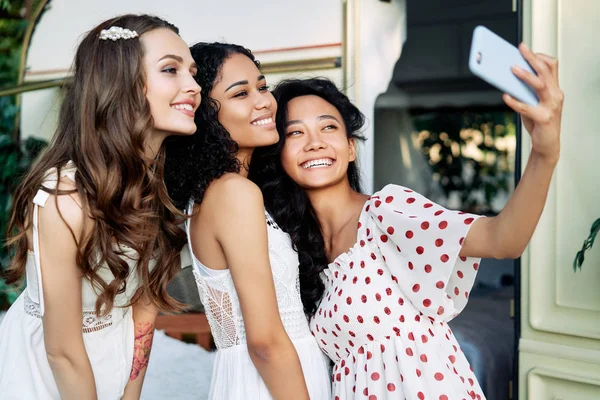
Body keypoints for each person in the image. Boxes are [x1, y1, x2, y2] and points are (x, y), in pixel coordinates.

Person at [250, 43, 563, 399]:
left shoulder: (386, 212)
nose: (314, 143)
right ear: (280, 155)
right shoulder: (296, 247)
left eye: (328, 128)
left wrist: (544, 153)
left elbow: (503, 239)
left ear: (350, 148)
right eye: (295, 133)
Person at [0, 14, 201, 400]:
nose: (193, 86)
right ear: (121, 81)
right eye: (171, 70)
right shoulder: (65, 196)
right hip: (51, 373)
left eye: (192, 73)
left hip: (117, 355)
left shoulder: (161, 182)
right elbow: (62, 351)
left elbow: (145, 306)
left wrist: (130, 393)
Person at [164, 42, 331, 400]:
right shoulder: (234, 193)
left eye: (262, 86)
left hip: (265, 375)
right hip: (273, 382)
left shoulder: (216, 192)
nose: (264, 101)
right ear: (206, 113)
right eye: (241, 93)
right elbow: (265, 341)